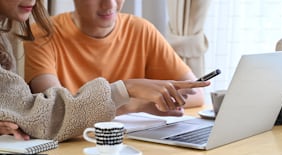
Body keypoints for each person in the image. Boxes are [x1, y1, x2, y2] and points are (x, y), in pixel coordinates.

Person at [0, 0, 210, 142]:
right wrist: (132, 99)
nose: (109, 4)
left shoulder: (141, 29)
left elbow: (195, 92)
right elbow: (52, 111)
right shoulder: (42, 34)